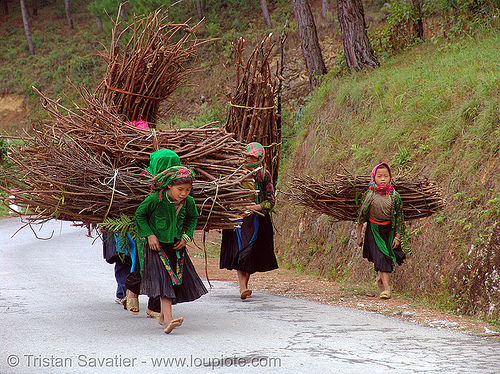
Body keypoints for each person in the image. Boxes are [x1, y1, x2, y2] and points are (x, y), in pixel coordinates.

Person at [135, 165, 207, 334]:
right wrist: (150, 235)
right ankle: (167, 319)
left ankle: (163, 317)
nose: (184, 194)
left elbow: (192, 219)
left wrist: (186, 237)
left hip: (176, 247)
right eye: (180, 189)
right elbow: (140, 214)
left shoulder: (187, 202)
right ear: (169, 185)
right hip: (156, 247)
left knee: (173, 281)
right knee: (164, 281)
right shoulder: (155, 199)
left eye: (188, 190)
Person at [124, 148, 182, 319]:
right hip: (146, 234)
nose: (170, 169)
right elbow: (139, 213)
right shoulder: (143, 181)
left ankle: (155, 308)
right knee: (144, 265)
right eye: (166, 165)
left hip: (171, 235)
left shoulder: (181, 184)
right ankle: (132, 291)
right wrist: (149, 233)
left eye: (173, 165)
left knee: (165, 268)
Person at [220, 142, 278, 300]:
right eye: (246, 156)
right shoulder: (236, 173)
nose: (248, 160)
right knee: (241, 251)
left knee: (251, 252)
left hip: (255, 219)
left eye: (252, 157)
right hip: (238, 219)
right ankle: (243, 287)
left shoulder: (264, 175)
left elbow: (271, 201)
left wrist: (256, 206)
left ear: (260, 158)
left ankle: (244, 285)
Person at [356, 162, 406, 299]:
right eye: (379, 176)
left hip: (389, 231)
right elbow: (361, 216)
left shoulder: (395, 196)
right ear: (374, 178)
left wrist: (397, 236)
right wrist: (359, 236)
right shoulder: (370, 195)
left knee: (387, 258)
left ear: (390, 177)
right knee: (382, 258)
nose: (383, 179)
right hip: (374, 230)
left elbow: (400, 217)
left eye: (385, 176)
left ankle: (381, 279)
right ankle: (387, 289)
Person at [102, 230, 132, 306]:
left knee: (126, 262)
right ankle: (125, 294)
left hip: (127, 230)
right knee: (122, 261)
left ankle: (122, 293)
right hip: (117, 231)